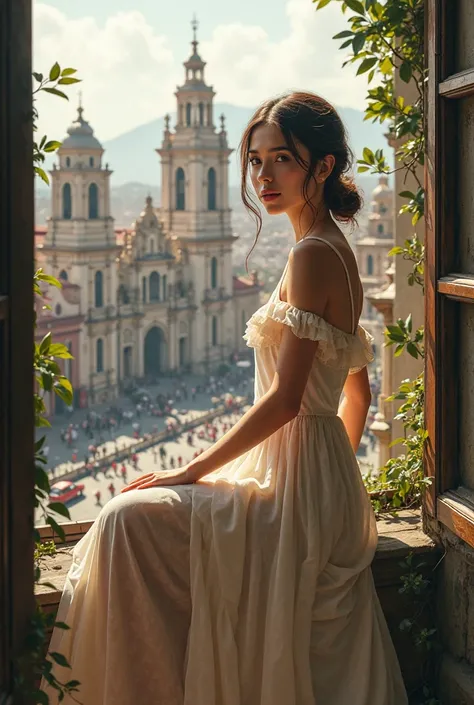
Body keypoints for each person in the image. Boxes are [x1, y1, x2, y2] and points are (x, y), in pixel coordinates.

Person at [42, 91, 407, 705]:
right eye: (255, 161)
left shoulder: (311, 255)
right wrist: (335, 483)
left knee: (124, 520)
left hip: (296, 480)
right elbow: (358, 392)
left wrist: (189, 469)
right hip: (316, 480)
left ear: (322, 167)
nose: (263, 176)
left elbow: (286, 402)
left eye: (282, 160)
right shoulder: (334, 250)